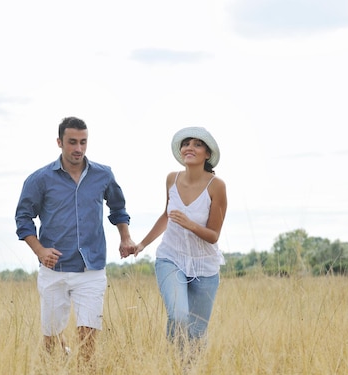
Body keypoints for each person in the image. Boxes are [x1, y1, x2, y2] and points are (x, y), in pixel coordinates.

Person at [15, 116, 135, 362]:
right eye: (72, 142)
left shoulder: (103, 175)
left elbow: (118, 208)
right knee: (50, 339)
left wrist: (125, 238)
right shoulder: (40, 179)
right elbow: (23, 217)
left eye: (83, 142)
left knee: (88, 338)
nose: (78, 148)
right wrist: (39, 250)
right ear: (59, 142)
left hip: (91, 268)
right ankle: (57, 372)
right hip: (53, 269)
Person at [134, 126, 227, 348]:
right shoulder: (171, 180)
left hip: (204, 266)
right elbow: (166, 216)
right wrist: (142, 244)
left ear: (207, 154)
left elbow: (213, 235)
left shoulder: (217, 186)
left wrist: (190, 225)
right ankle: (173, 368)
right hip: (171, 258)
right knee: (178, 316)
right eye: (186, 144)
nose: (189, 148)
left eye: (197, 144)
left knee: (196, 333)